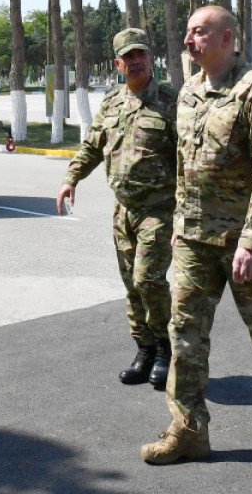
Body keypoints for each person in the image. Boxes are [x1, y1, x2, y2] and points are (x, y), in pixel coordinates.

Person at [141, 5, 252, 466]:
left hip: (241, 240)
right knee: (185, 333)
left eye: (199, 33)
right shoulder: (190, 91)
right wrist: (178, 224)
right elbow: (183, 165)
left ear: (227, 38)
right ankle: (188, 429)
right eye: (188, 33)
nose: (189, 41)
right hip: (194, 238)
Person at [57, 28, 177, 388]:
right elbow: (93, 146)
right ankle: (144, 349)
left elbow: (190, 160)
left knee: (148, 279)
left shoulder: (172, 102)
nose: (137, 61)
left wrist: (185, 212)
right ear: (118, 64)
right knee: (131, 284)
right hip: (123, 209)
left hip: (159, 208)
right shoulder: (111, 103)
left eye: (142, 54)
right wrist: (70, 178)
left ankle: (166, 350)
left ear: (151, 59)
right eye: (129, 56)